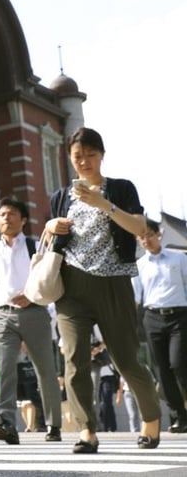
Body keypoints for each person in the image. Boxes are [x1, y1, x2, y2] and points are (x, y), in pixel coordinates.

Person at [45, 127, 161, 452]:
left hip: (113, 283)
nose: (83, 162)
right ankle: (87, 432)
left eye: (90, 155)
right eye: (77, 156)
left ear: (102, 155)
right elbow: (55, 241)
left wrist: (101, 203)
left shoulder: (121, 189)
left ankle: (151, 422)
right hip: (71, 287)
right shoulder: (61, 196)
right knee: (74, 360)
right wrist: (49, 225)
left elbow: (140, 228)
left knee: (125, 360)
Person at [0, 197, 63, 445]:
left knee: (45, 370)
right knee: (4, 370)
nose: (6, 218)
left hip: (35, 312)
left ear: (23, 220)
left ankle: (53, 425)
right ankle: (7, 425)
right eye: (2, 214)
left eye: (12, 214)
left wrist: (32, 295)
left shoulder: (37, 246)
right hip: (3, 316)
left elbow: (49, 280)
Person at [136, 218, 187, 433]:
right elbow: (136, 297)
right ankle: (179, 417)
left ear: (159, 234)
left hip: (179, 316)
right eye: (141, 237)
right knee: (161, 370)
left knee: (178, 365)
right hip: (153, 317)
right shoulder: (139, 265)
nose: (146, 240)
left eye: (149, 234)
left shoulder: (179, 258)